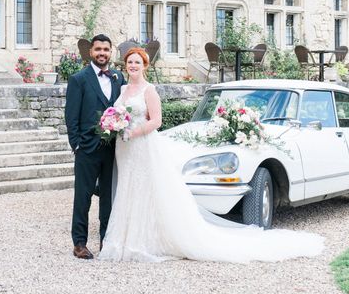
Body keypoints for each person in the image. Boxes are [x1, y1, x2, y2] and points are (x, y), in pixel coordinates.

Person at [98, 47, 325, 263]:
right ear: (125, 65)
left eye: (137, 62)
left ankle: (144, 240)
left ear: (144, 65)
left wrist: (133, 132)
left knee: (145, 188)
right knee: (127, 187)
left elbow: (156, 121)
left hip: (141, 144)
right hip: (124, 148)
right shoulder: (122, 90)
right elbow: (117, 113)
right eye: (130, 62)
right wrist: (114, 125)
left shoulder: (150, 90)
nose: (133, 65)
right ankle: (124, 239)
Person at [65, 34, 126, 260]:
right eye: (98, 49)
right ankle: (79, 243)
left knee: (109, 197)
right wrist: (77, 145)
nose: (102, 53)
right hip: (87, 148)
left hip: (113, 149)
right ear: (91, 52)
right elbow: (71, 116)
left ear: (111, 52)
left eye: (106, 50)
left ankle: (106, 240)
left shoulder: (119, 78)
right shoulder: (79, 79)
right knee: (83, 197)